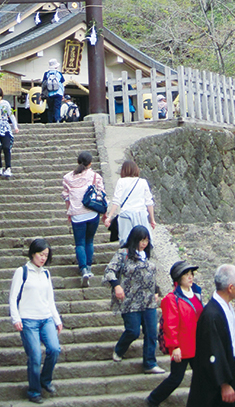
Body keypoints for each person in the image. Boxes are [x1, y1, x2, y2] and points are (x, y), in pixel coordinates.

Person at [103, 225, 164, 374]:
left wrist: (156, 291)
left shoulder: (147, 256)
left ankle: (150, 362)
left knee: (151, 332)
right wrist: (116, 286)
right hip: (130, 300)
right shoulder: (123, 254)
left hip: (148, 300)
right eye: (142, 240)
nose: (144, 244)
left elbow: (151, 277)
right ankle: (119, 349)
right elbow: (109, 271)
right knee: (133, 330)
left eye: (146, 241)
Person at [9, 237, 62, 405]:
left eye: (46, 255)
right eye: (40, 254)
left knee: (54, 349)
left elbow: (50, 299)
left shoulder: (46, 273)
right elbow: (12, 297)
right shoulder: (22, 272)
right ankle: (33, 391)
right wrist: (16, 318)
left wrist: (57, 319)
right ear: (33, 253)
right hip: (28, 320)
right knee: (35, 355)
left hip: (45, 318)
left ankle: (45, 380)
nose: (43, 258)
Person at [186, 263, 235, 407]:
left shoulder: (225, 308)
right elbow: (213, 351)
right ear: (230, 288)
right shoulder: (211, 315)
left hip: (230, 372)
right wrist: (223, 383)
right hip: (215, 382)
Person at [147, 260, 204, 406]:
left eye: (191, 274)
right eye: (186, 274)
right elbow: (170, 325)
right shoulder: (171, 299)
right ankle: (153, 399)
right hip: (183, 346)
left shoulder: (196, 293)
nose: (190, 277)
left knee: (202, 376)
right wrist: (174, 346)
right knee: (176, 378)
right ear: (179, 278)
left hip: (197, 343)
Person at [62, 151, 106, 287]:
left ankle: (84, 270)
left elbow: (66, 196)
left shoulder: (68, 178)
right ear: (90, 163)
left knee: (79, 243)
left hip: (77, 214)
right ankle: (89, 267)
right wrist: (104, 212)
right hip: (92, 213)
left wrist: (69, 212)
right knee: (89, 241)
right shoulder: (94, 176)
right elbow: (102, 193)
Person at [103, 160, 156, 245]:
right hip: (140, 215)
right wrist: (152, 219)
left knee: (126, 241)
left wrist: (109, 217)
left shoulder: (121, 181)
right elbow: (149, 202)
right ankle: (142, 257)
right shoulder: (142, 182)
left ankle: (129, 257)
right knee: (142, 240)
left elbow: (116, 200)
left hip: (126, 215)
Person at [41, 58, 65, 124]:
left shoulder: (46, 74)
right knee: (57, 107)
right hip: (58, 93)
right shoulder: (59, 74)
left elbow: (44, 84)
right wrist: (62, 94)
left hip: (49, 94)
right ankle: (57, 120)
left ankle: (50, 121)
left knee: (50, 108)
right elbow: (62, 84)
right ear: (56, 66)